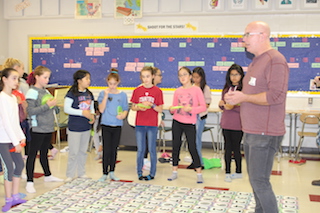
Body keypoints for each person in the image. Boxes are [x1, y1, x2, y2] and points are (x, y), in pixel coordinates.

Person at [225, 21, 289, 213]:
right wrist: (238, 98)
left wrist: (244, 97)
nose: (243, 40)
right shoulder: (256, 61)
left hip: (264, 131)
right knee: (255, 179)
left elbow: (276, 95)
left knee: (260, 181)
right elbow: (254, 95)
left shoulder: (275, 60)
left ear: (262, 35)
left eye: (247, 35)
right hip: (252, 130)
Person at [25, 66, 63, 193]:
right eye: (45, 77)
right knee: (32, 155)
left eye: (48, 77)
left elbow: (49, 108)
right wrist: (47, 106)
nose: (47, 80)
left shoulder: (46, 91)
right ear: (37, 77)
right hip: (37, 128)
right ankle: (29, 181)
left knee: (44, 154)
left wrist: (54, 106)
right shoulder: (32, 92)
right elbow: (30, 112)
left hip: (47, 127)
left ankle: (48, 175)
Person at [167, 67, 206, 183]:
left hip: (190, 123)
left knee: (192, 147)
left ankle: (199, 173)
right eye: (180, 75)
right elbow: (174, 108)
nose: (182, 77)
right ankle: (174, 171)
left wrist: (191, 109)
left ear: (190, 76)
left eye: (185, 74)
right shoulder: (177, 91)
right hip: (177, 122)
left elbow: (203, 107)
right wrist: (171, 109)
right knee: (176, 146)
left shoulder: (196, 90)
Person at [0, 68, 27, 211]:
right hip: (3, 140)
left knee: (19, 165)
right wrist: (15, 142)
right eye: (13, 78)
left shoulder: (12, 98)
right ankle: (8, 198)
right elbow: (6, 122)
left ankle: (16, 195)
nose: (16, 81)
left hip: (13, 138)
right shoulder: (2, 98)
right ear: (4, 79)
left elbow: (15, 121)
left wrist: (21, 137)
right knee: (8, 168)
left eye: (17, 78)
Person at [130, 66, 164, 181]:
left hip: (152, 124)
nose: (146, 79)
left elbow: (160, 109)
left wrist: (152, 105)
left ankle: (152, 173)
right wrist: (139, 107)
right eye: (143, 77)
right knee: (140, 149)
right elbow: (133, 107)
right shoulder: (137, 91)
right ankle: (139, 172)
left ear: (153, 76)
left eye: (148, 76)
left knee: (152, 149)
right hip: (140, 123)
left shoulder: (158, 91)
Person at [97, 68, 129, 181]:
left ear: (118, 82)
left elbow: (125, 109)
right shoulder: (102, 93)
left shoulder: (123, 95)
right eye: (110, 84)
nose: (112, 86)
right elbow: (101, 109)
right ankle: (104, 172)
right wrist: (106, 96)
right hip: (106, 124)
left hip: (117, 125)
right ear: (107, 82)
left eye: (114, 84)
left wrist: (123, 115)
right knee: (107, 149)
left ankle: (112, 171)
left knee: (114, 149)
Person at [64, 70, 95, 182]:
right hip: (74, 127)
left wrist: (92, 116)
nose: (88, 81)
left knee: (83, 151)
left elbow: (91, 108)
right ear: (79, 80)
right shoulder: (72, 93)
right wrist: (81, 113)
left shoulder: (89, 94)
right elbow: (66, 109)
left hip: (86, 127)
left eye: (89, 79)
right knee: (73, 152)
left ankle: (82, 172)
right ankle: (70, 174)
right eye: (86, 79)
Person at [219, 64, 244, 182]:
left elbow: (245, 106)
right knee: (227, 148)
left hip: (238, 123)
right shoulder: (226, 89)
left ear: (241, 76)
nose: (234, 77)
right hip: (226, 122)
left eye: (237, 75)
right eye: (232, 75)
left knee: (236, 148)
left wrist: (233, 106)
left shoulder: (244, 90)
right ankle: (227, 172)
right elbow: (224, 105)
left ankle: (239, 171)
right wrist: (222, 104)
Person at [187, 67, 211, 169]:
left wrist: (196, 106)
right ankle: (194, 160)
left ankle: (199, 162)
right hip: (190, 117)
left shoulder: (205, 88)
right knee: (191, 140)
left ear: (202, 77)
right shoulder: (190, 87)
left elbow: (207, 104)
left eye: (197, 77)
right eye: (194, 77)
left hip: (200, 117)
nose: (195, 79)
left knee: (197, 140)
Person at [143, 67, 163, 170]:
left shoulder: (157, 91)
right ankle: (144, 161)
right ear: (153, 76)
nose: (161, 77)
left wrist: (160, 119)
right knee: (145, 142)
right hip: (142, 121)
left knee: (150, 142)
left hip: (152, 121)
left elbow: (158, 107)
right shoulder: (142, 88)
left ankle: (147, 161)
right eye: (159, 75)